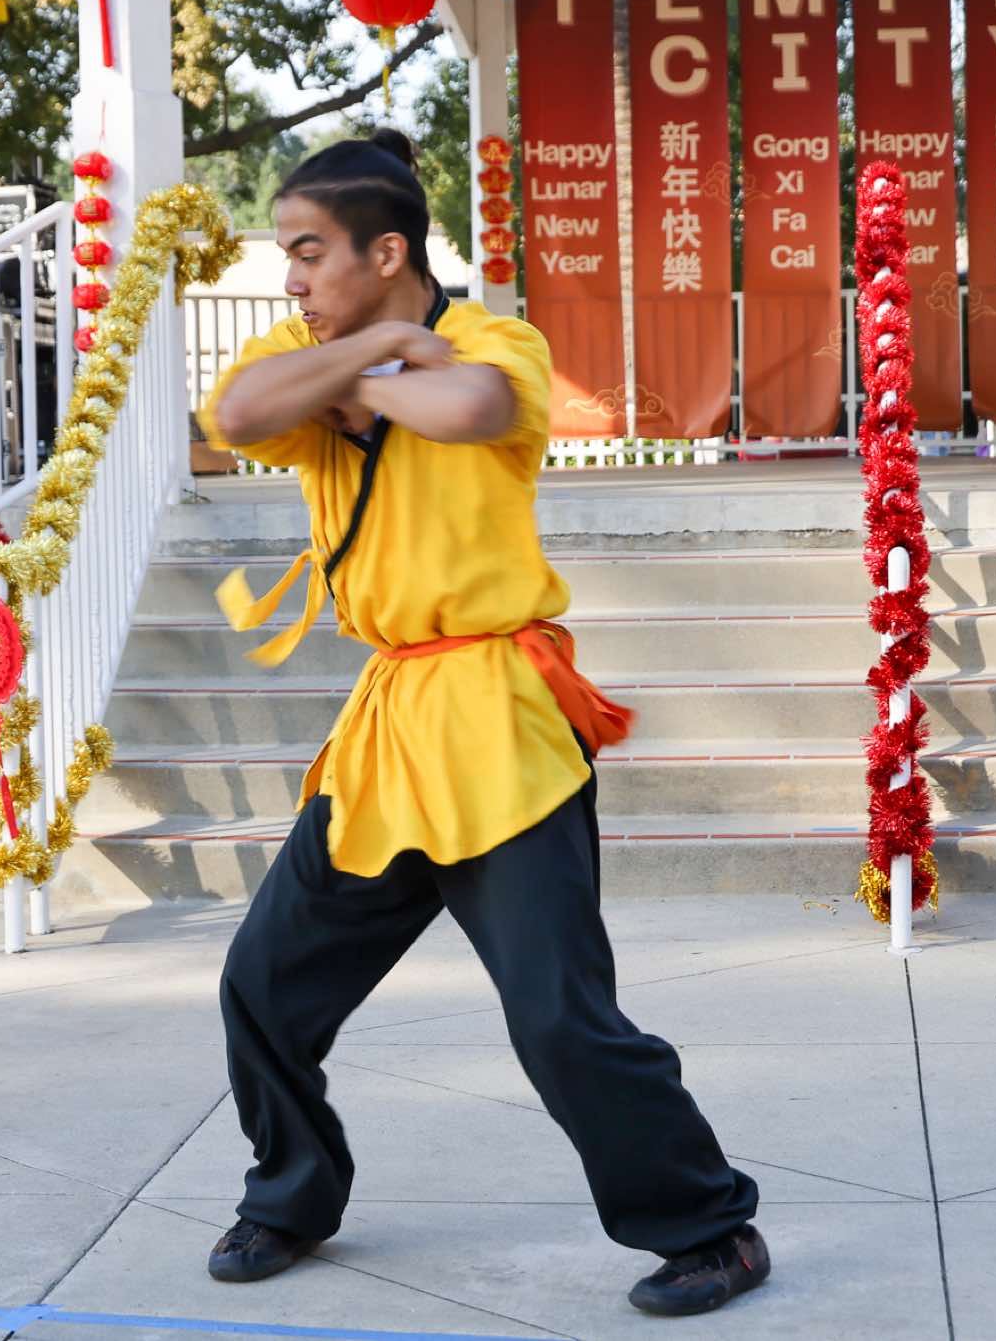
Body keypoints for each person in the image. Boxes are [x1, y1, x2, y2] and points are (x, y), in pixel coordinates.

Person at [195, 130, 768, 1319]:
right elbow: (237, 413)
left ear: (385, 252)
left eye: (308, 252)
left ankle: (708, 1228)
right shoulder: (306, 352)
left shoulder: (497, 340)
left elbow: (465, 407)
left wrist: (366, 372)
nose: (291, 279)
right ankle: (290, 1195)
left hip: (498, 723)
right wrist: (379, 352)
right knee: (263, 983)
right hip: (386, 730)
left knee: (558, 1016)